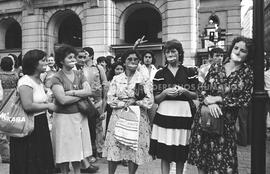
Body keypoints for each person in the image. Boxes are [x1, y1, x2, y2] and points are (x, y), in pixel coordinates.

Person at [187, 36, 254, 174]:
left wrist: (218, 99)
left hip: (225, 127)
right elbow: (202, 90)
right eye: (236, 48)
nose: (238, 52)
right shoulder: (216, 67)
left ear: (248, 55)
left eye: (243, 50)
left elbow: (245, 99)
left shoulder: (247, 73)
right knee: (202, 163)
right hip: (204, 122)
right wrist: (208, 102)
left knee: (224, 167)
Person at [149, 39, 198, 174]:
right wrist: (164, 93)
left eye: (173, 51)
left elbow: (196, 95)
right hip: (165, 114)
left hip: (183, 114)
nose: (170, 54)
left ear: (179, 53)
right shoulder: (159, 74)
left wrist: (185, 91)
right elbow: (156, 99)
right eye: (167, 51)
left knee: (180, 151)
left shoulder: (190, 72)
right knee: (165, 152)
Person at [103, 49, 153, 174]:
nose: (133, 62)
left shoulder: (144, 79)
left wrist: (135, 102)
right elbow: (110, 99)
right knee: (115, 146)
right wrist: (124, 103)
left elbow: (149, 101)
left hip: (138, 117)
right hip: (118, 116)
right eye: (129, 59)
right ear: (124, 62)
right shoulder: (116, 78)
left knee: (133, 149)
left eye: (136, 59)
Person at [9, 49, 55, 174]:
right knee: (29, 162)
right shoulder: (26, 81)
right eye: (43, 60)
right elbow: (28, 105)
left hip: (40, 123)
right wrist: (48, 106)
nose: (46, 63)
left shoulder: (38, 81)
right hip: (28, 125)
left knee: (40, 161)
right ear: (34, 63)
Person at [50, 45, 93, 174]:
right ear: (61, 61)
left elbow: (89, 91)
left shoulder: (79, 74)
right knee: (64, 152)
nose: (73, 59)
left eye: (74, 57)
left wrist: (72, 92)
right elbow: (62, 100)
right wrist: (81, 95)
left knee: (78, 151)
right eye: (70, 57)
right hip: (63, 119)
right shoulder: (56, 77)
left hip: (80, 117)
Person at [0, 56, 19, 164]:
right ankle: (14, 153)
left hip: (2, 104)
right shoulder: (15, 75)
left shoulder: (0, 76)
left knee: (2, 131)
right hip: (13, 102)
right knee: (12, 128)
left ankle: (6, 155)